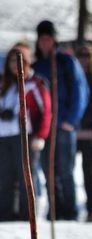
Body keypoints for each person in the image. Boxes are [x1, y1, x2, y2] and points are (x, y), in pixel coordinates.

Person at [32, 19, 89, 221]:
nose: (45, 42)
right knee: (48, 172)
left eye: (48, 38)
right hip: (45, 127)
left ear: (54, 39)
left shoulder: (66, 62)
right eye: (42, 39)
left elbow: (80, 92)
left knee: (65, 170)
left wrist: (70, 120)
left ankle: (70, 209)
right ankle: (55, 209)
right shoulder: (37, 66)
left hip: (63, 125)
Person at [0, 42, 51, 221]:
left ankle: (26, 214)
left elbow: (46, 111)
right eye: (12, 61)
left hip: (24, 136)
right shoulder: (4, 85)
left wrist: (40, 135)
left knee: (25, 177)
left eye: (18, 60)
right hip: (4, 136)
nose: (15, 64)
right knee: (5, 177)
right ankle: (5, 213)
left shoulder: (34, 83)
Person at [74, 41, 92, 222]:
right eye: (81, 55)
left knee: (88, 172)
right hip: (72, 129)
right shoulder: (72, 77)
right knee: (66, 171)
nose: (84, 59)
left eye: (87, 56)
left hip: (90, 132)